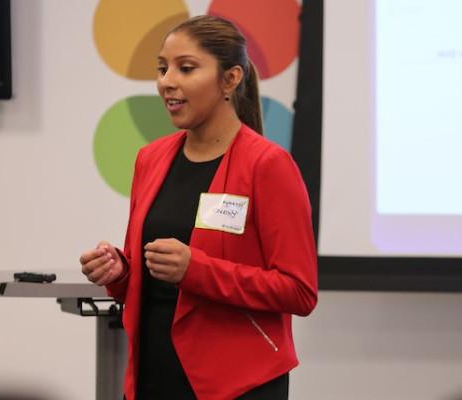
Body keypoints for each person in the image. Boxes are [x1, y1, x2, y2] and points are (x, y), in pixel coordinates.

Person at [80, 15, 318, 400]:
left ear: (230, 79)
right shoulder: (150, 159)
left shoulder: (267, 166)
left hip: (235, 385)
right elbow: (146, 279)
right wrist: (119, 270)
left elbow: (299, 291)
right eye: (162, 68)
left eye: (186, 68)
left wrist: (197, 270)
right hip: (151, 375)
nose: (166, 81)